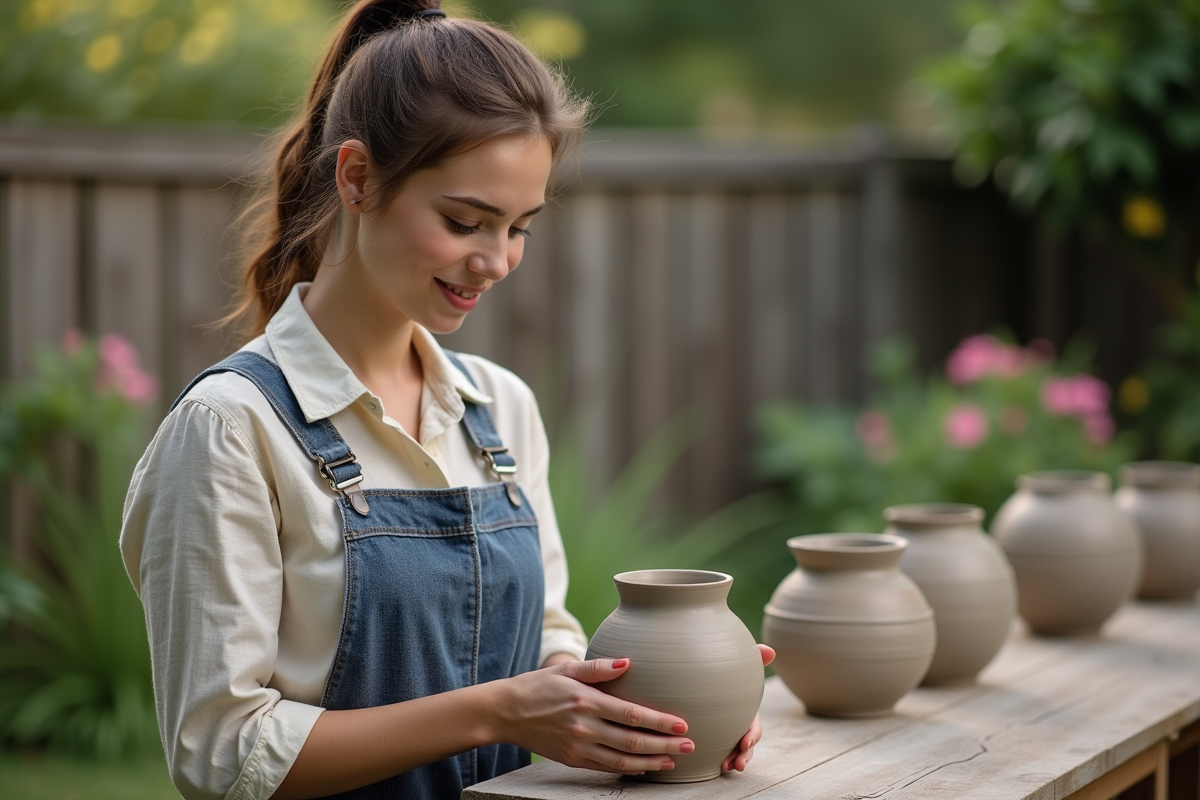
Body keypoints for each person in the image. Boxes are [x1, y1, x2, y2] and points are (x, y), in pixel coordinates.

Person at [120, 2, 772, 798]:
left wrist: (650, 703)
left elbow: (543, 646)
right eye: (466, 221)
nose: (496, 261)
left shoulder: (499, 407)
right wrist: (496, 713)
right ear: (356, 178)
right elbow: (222, 751)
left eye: (521, 227)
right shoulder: (232, 429)